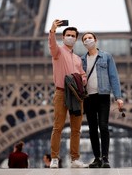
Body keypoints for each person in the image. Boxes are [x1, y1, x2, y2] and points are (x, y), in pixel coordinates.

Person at [48, 19, 88, 168]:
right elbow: (51, 44)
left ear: (76, 39)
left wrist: (82, 79)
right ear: (63, 37)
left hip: (76, 95)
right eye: (68, 35)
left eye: (73, 35)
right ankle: (54, 158)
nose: (70, 37)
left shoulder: (77, 59)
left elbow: (83, 74)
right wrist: (52, 30)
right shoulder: (57, 52)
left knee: (76, 129)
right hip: (61, 92)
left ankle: (74, 159)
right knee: (57, 127)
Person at [81, 32, 124, 168]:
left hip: (103, 96)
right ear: (83, 43)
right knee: (92, 129)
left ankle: (105, 158)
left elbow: (114, 77)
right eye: (85, 39)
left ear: (95, 40)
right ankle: (97, 158)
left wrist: (118, 97)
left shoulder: (106, 56)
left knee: (103, 126)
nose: (88, 40)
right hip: (88, 97)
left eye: (90, 38)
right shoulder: (81, 60)